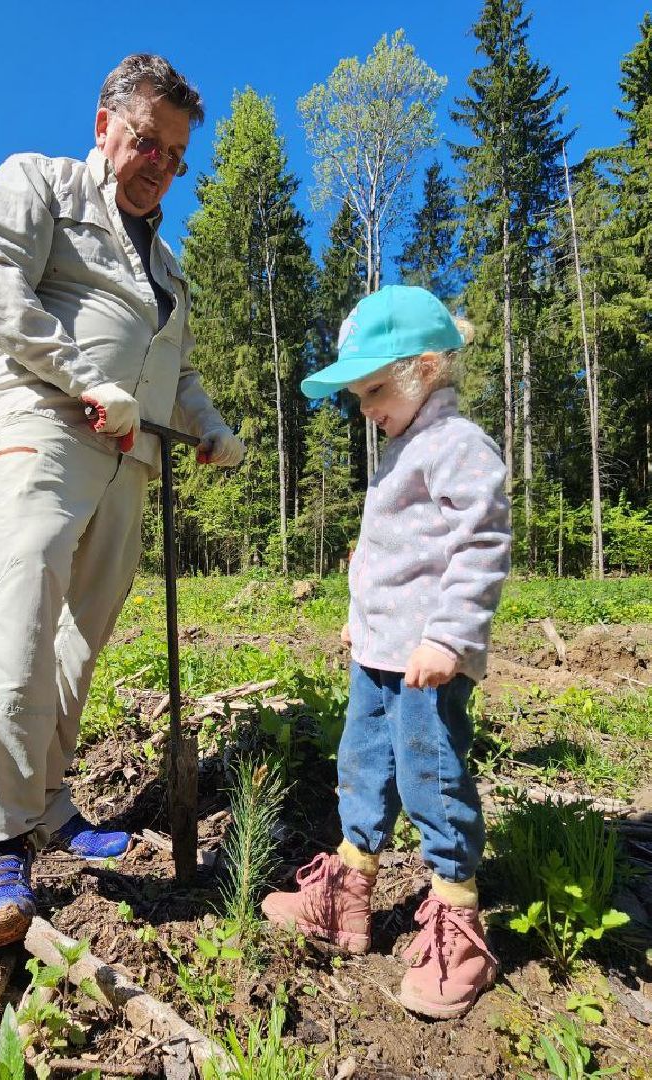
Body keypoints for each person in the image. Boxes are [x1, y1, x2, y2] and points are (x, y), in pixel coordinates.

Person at [0, 53, 245, 955]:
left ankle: (47, 805)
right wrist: (80, 378)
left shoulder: (171, 268)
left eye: (177, 153)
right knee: (21, 617)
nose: (161, 163)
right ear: (106, 122)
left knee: (80, 641)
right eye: (148, 140)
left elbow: (176, 372)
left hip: (135, 463)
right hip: (46, 427)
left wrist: (211, 423)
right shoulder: (41, 183)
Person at [260, 285, 511, 1020]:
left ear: (427, 368)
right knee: (361, 767)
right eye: (360, 394)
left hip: (427, 662)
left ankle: (457, 922)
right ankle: (347, 896)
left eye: (376, 388)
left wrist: (450, 637)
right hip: (377, 655)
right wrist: (357, 618)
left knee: (432, 779)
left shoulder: (458, 445)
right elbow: (386, 556)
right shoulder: (403, 449)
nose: (366, 407)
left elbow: (482, 545)